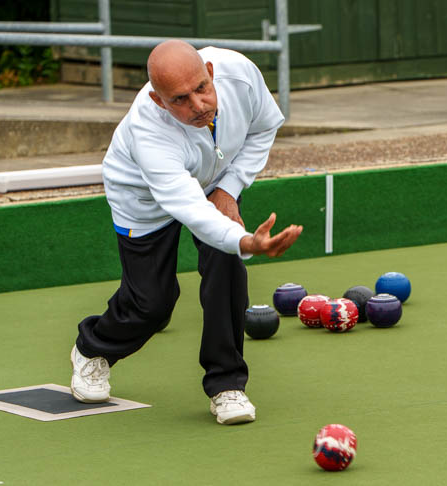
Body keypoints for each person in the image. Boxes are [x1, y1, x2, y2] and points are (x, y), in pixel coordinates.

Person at [69, 39, 302, 425]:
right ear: (159, 102)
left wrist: (229, 189)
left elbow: (264, 127)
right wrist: (246, 241)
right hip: (143, 197)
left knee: (226, 269)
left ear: (210, 73)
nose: (198, 106)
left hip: (216, 179)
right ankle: (92, 349)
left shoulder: (239, 73)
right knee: (152, 304)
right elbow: (190, 209)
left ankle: (227, 384)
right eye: (179, 99)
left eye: (201, 89)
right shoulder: (150, 132)